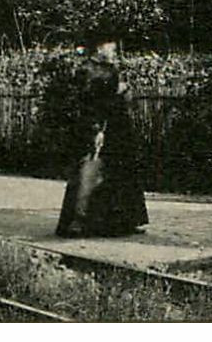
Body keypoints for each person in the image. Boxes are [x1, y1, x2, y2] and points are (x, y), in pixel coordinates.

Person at [55, 37, 149, 237]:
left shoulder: (111, 69)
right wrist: (96, 129)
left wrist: (123, 93)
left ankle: (123, 221)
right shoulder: (87, 71)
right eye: (109, 45)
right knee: (90, 171)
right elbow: (88, 104)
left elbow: (118, 101)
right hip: (100, 128)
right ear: (98, 47)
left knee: (120, 173)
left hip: (119, 130)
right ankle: (80, 221)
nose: (114, 48)